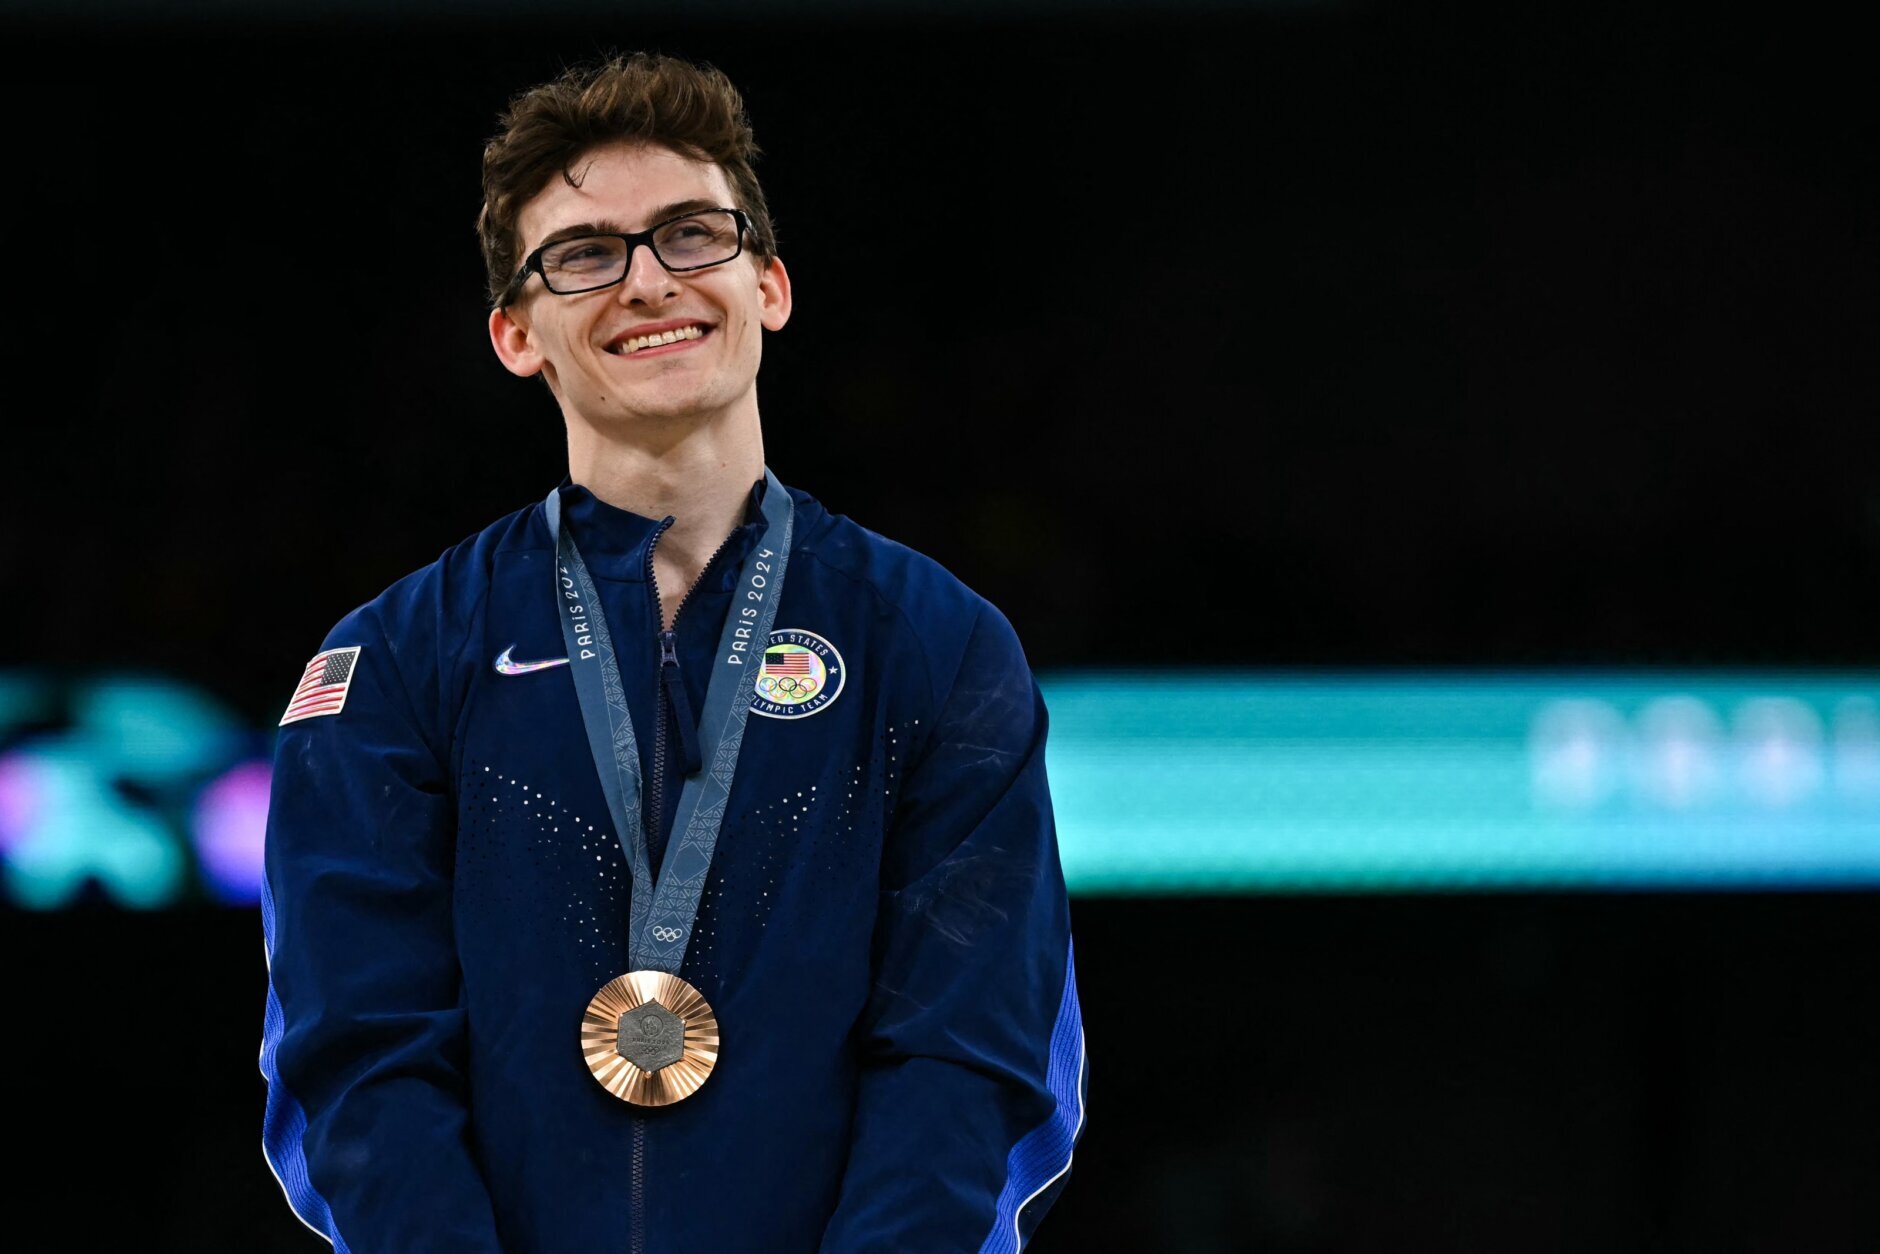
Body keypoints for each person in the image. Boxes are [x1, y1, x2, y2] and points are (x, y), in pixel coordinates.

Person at [259, 51, 1085, 1253]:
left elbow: (972, 1051)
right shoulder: (392, 661)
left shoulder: (937, 643)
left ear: (769, 284)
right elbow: (357, 1057)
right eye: (585, 254)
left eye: (690, 235)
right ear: (514, 335)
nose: (647, 282)